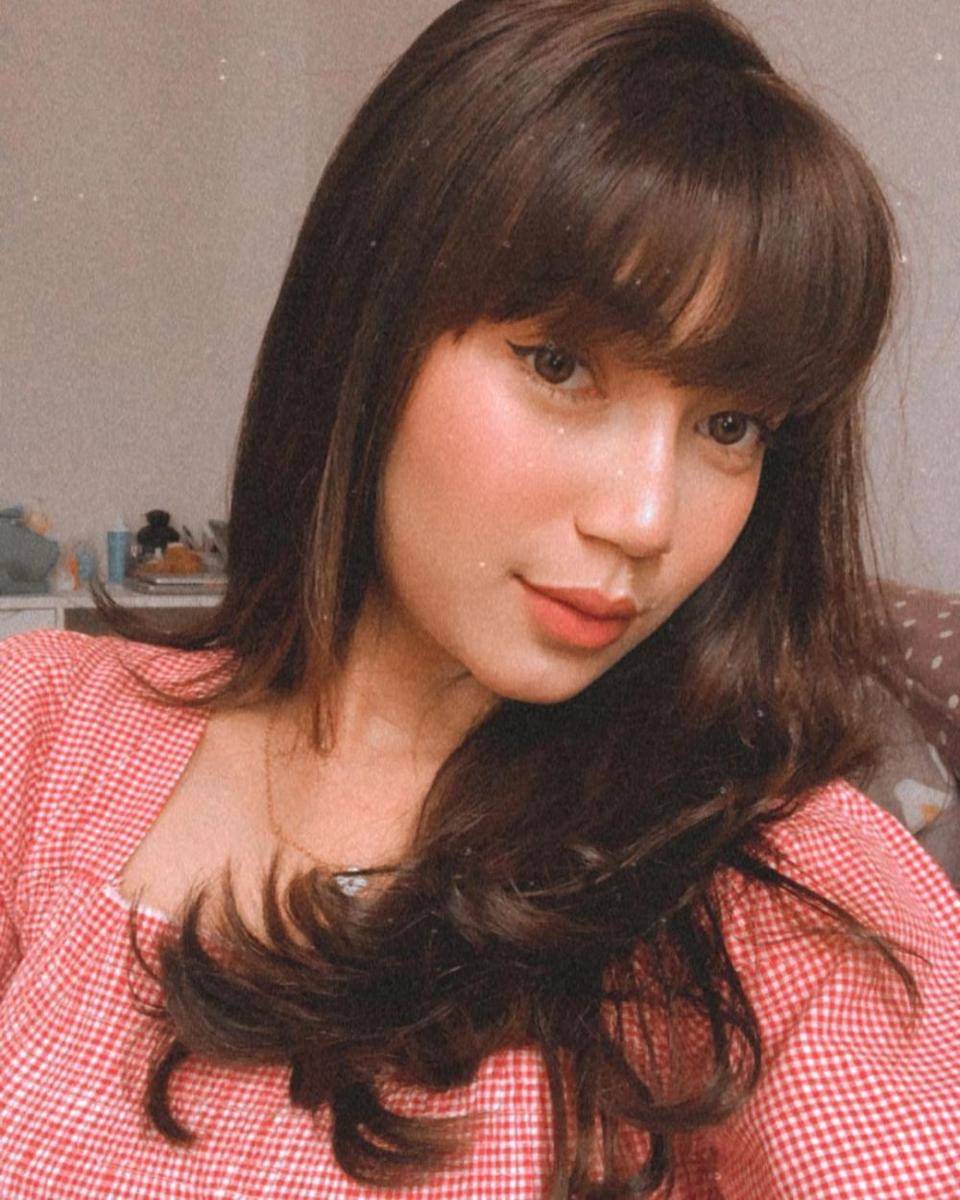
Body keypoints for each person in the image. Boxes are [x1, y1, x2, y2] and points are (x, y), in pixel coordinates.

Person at [1, 0, 958, 1196]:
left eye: (730, 426)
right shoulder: (41, 728)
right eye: (562, 365)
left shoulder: (782, 889)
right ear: (369, 329)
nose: (645, 519)